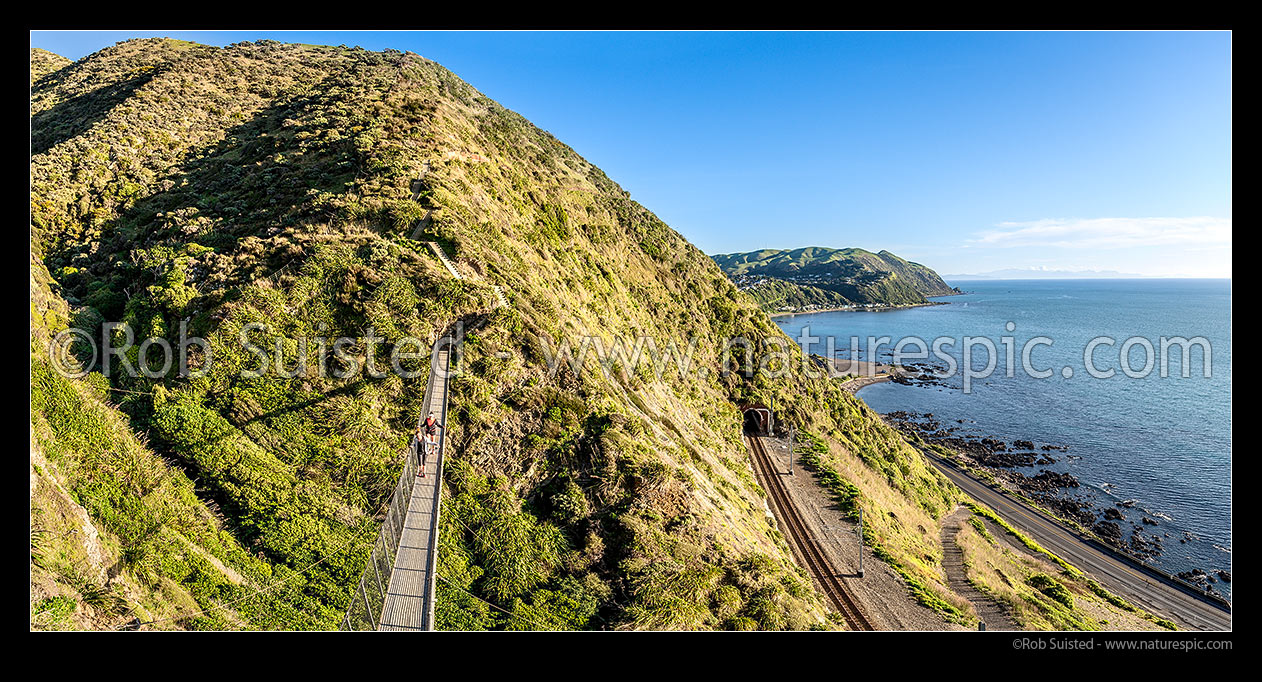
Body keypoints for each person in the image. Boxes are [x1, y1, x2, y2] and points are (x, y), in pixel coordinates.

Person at [416, 412, 444, 478]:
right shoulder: (427, 420)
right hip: (428, 431)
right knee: (428, 439)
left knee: (432, 441)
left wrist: (442, 427)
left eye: (431, 416)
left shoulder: (435, 420)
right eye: (430, 416)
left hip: (433, 431)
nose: (430, 417)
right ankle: (421, 472)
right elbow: (423, 425)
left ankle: (433, 449)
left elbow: (438, 425)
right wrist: (419, 426)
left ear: (433, 416)